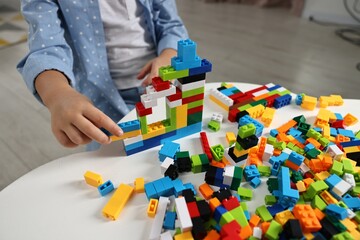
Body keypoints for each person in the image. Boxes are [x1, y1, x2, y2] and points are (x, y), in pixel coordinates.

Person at [17, 0, 188, 150]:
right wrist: (57, 93)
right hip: (99, 100)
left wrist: (169, 54)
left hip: (160, 85)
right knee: (111, 157)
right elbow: (46, 47)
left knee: (174, 144)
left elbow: (171, 24)